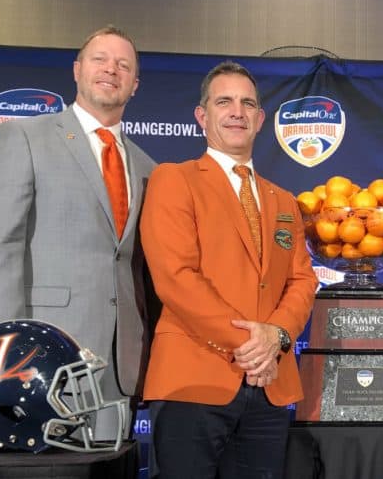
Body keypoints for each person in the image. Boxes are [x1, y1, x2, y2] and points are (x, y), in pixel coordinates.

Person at [0, 25, 157, 441]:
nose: (111, 70)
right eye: (100, 59)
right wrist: (4, 353)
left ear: (135, 85)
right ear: (76, 70)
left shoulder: (148, 168)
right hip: (41, 357)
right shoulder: (24, 137)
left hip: (117, 365)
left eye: (123, 65)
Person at [140, 61, 317, 478]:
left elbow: (302, 280)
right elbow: (175, 277)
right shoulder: (174, 179)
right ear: (202, 116)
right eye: (224, 101)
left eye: (247, 103)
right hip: (193, 379)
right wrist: (252, 346)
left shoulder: (284, 200)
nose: (237, 111)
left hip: (268, 386)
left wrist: (276, 336)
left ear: (260, 119)